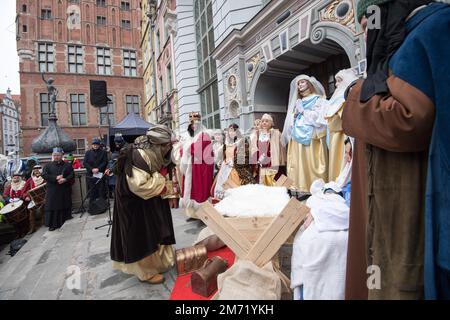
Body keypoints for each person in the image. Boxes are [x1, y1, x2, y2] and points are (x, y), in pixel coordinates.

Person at [343, 1, 450, 300]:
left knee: (397, 281)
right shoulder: (399, 44)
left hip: (405, 199)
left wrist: (353, 94)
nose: (366, 34)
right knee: (378, 276)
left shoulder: (430, 28)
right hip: (384, 195)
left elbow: (409, 120)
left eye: (368, 24)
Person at [111, 125, 176, 284]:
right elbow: (139, 185)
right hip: (135, 203)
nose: (170, 148)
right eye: (168, 145)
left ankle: (159, 263)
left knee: (157, 229)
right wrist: (163, 182)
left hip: (151, 199)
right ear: (159, 144)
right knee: (143, 234)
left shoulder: (157, 154)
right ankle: (146, 272)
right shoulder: (139, 155)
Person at [291, 179, 350, 300]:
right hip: (331, 216)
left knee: (309, 238)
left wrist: (315, 213)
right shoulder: (317, 198)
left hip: (332, 215)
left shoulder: (342, 194)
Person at [282, 75, 329, 192]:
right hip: (297, 136)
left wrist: (303, 111)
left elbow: (319, 119)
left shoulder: (319, 99)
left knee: (312, 162)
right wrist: (295, 114)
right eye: (298, 84)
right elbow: (292, 119)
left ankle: (315, 187)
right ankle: (300, 185)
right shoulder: (298, 101)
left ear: (309, 83)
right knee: (298, 163)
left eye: (302, 82)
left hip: (312, 136)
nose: (300, 85)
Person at [324, 69, 358, 182]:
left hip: (343, 137)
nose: (337, 84)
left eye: (339, 81)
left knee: (343, 164)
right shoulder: (335, 101)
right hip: (335, 137)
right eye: (336, 81)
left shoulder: (345, 100)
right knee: (336, 163)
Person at [179, 112, 214, 219]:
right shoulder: (189, 136)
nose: (194, 126)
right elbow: (183, 149)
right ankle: (192, 214)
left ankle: (203, 215)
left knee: (200, 191)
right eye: (192, 124)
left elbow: (196, 148)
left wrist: (186, 149)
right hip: (191, 166)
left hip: (200, 168)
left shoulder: (204, 134)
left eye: (196, 123)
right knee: (191, 190)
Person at [212, 124, 254, 200]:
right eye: (229, 131)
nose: (231, 133)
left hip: (238, 171)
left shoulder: (242, 142)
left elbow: (246, 158)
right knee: (223, 194)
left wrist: (233, 162)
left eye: (233, 131)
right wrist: (219, 163)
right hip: (224, 170)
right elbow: (223, 157)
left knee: (237, 194)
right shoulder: (226, 144)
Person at [42, 148, 75, 231]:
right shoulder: (48, 165)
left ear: (62, 156)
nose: (56, 157)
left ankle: (63, 222)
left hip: (63, 189)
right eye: (55, 155)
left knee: (63, 205)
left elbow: (72, 175)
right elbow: (44, 175)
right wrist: (55, 177)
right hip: (53, 189)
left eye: (58, 155)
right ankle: (53, 224)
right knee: (53, 207)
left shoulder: (67, 165)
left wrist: (65, 179)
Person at [250, 114, 286, 186]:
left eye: (267, 121)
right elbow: (254, 147)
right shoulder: (257, 134)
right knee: (263, 183)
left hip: (273, 162)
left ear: (271, 123)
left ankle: (283, 193)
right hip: (262, 162)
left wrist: (281, 160)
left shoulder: (276, 133)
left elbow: (282, 148)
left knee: (279, 182)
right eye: (262, 121)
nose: (264, 123)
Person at [83, 138, 108, 203]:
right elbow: (85, 162)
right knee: (92, 189)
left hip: (100, 174)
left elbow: (105, 162)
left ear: (99, 145)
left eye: (97, 144)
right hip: (91, 174)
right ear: (92, 145)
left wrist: (98, 169)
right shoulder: (88, 153)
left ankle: (102, 203)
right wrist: (92, 169)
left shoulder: (103, 152)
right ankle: (92, 204)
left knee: (101, 189)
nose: (95, 146)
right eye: (94, 144)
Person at [23, 165, 46, 234]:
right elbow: (24, 191)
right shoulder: (30, 180)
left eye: (38, 169)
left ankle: (45, 223)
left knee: (43, 208)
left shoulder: (45, 177)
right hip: (34, 200)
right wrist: (26, 196)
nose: (36, 171)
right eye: (35, 169)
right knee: (31, 211)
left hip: (45, 198)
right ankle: (32, 228)